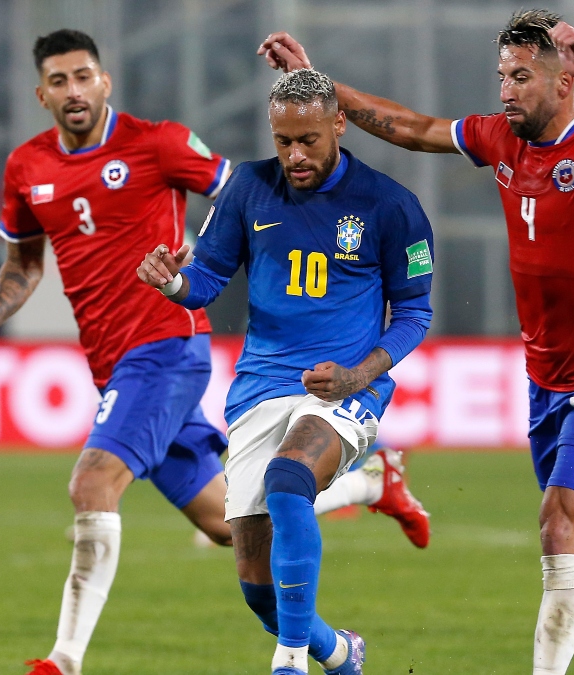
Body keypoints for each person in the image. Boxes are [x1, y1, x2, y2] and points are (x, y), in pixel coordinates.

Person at [257, 11, 574, 673]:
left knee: (560, 521)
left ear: (562, 81)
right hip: (546, 378)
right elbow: (413, 128)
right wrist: (322, 87)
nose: (505, 91)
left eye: (520, 77)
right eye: (501, 77)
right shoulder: (500, 138)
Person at [0, 31, 425, 675]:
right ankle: (369, 496)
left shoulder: (160, 143)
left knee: (92, 483)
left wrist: (221, 261)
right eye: (59, 81)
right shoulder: (27, 166)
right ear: (42, 94)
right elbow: (25, 262)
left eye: (83, 76)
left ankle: (65, 660)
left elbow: (236, 198)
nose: (73, 90)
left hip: (165, 347)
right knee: (230, 525)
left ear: (104, 81)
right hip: (118, 359)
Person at [138, 67, 434, 675]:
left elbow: (414, 312)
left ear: (339, 124)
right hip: (262, 385)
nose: (295, 155)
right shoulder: (248, 187)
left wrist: (360, 375)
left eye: (308, 140)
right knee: (258, 588)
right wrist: (173, 283)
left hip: (343, 386)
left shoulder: (390, 204)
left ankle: (290, 663)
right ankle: (339, 652)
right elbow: (208, 278)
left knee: (288, 476)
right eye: (283, 141)